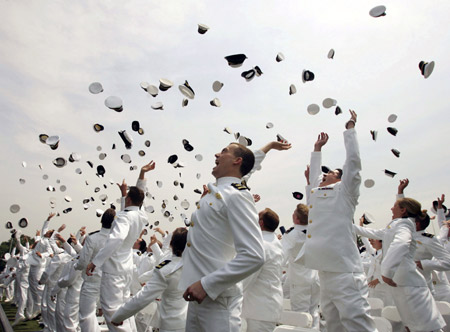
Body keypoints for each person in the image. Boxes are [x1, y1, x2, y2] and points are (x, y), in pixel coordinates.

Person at [296, 110, 376, 332]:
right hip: (324, 269)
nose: (323, 175)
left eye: (329, 173)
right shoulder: (317, 193)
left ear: (340, 179)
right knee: (332, 325)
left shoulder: (345, 192)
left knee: (358, 324)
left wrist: (350, 130)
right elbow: (313, 180)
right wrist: (317, 150)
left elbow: (354, 163)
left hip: (344, 271)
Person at [180, 143, 265, 332]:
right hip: (197, 295)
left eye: (224, 151)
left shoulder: (236, 196)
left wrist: (206, 284)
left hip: (217, 299)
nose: (217, 154)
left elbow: (254, 255)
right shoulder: (218, 193)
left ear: (237, 160)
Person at [354, 198, 445, 331]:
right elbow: (372, 233)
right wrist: (342, 222)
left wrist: (386, 272)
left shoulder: (404, 225)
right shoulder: (397, 224)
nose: (391, 209)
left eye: (394, 206)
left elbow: (401, 243)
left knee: (427, 328)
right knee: (412, 327)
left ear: (403, 210)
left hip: (412, 288)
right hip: (402, 287)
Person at [86, 161, 154, 332]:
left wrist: (96, 261)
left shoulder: (125, 216)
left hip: (114, 270)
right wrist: (141, 175)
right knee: (125, 312)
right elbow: (138, 199)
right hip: (126, 269)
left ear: (128, 199)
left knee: (113, 314)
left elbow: (116, 239)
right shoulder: (140, 215)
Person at [111, 227, 189, 332]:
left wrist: (119, 316)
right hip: (191, 323)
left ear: (171, 244)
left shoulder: (165, 269)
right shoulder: (195, 267)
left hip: (171, 325)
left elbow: (142, 298)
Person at [241, 208, 284, 332]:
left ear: (260, 223)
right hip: (266, 307)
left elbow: (248, 278)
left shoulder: (261, 245)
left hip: (258, 309)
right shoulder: (274, 241)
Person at [75, 208, 115, 332]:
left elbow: (83, 262)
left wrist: (75, 266)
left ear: (101, 221)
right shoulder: (116, 239)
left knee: (86, 315)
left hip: (92, 280)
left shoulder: (93, 237)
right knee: (112, 316)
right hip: (111, 281)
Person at [281, 203, 320, 329]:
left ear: (296, 218)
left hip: (299, 280)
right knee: (314, 313)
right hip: (315, 278)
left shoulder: (291, 235)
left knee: (300, 315)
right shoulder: (316, 232)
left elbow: (282, 257)